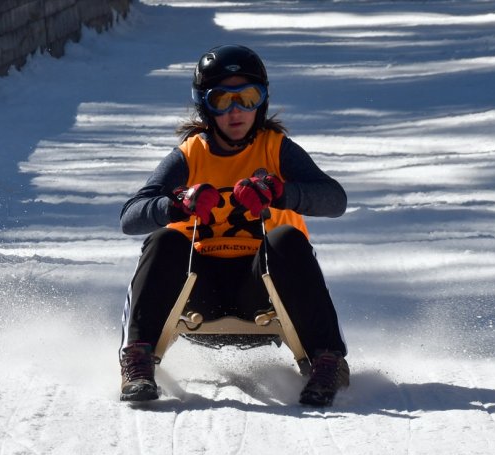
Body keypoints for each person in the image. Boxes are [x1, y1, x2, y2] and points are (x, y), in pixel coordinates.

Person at [118, 44, 349, 406]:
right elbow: (130, 218)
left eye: (248, 97)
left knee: (287, 236)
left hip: (262, 288)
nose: (236, 111)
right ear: (205, 106)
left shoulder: (277, 150)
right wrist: (175, 204)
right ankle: (137, 361)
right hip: (198, 287)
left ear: (263, 102)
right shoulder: (190, 154)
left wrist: (280, 192)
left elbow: (336, 201)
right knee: (163, 240)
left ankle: (328, 360)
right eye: (222, 100)